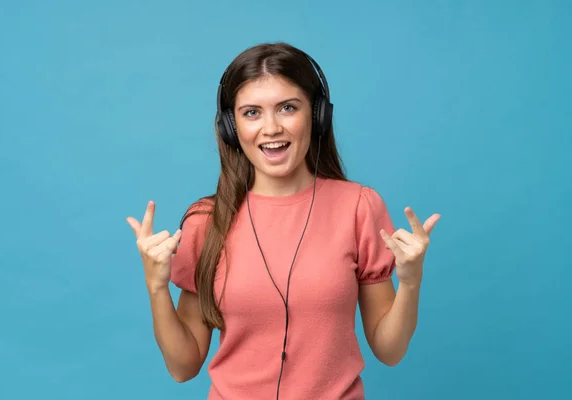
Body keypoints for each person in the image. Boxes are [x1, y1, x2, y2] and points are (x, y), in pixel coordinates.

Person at [126, 42, 441, 400]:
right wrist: (156, 287)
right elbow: (183, 368)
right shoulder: (206, 221)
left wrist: (411, 282)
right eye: (251, 113)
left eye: (287, 108)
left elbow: (390, 351)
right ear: (231, 126)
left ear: (317, 115)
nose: (271, 127)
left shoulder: (358, 207)